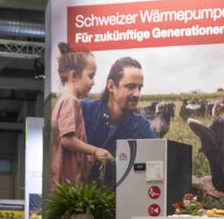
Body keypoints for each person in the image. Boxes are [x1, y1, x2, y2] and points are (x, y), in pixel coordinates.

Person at [81, 57, 155, 186]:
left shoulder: (141, 126)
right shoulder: (83, 111)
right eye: (130, 87)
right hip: (77, 193)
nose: (137, 94)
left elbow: (156, 162)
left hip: (119, 196)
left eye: (140, 88)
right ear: (111, 86)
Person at [50, 43, 112, 188]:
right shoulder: (70, 101)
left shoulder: (64, 100)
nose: (93, 82)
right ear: (74, 76)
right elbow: (66, 139)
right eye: (90, 76)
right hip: (67, 185)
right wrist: (95, 151)